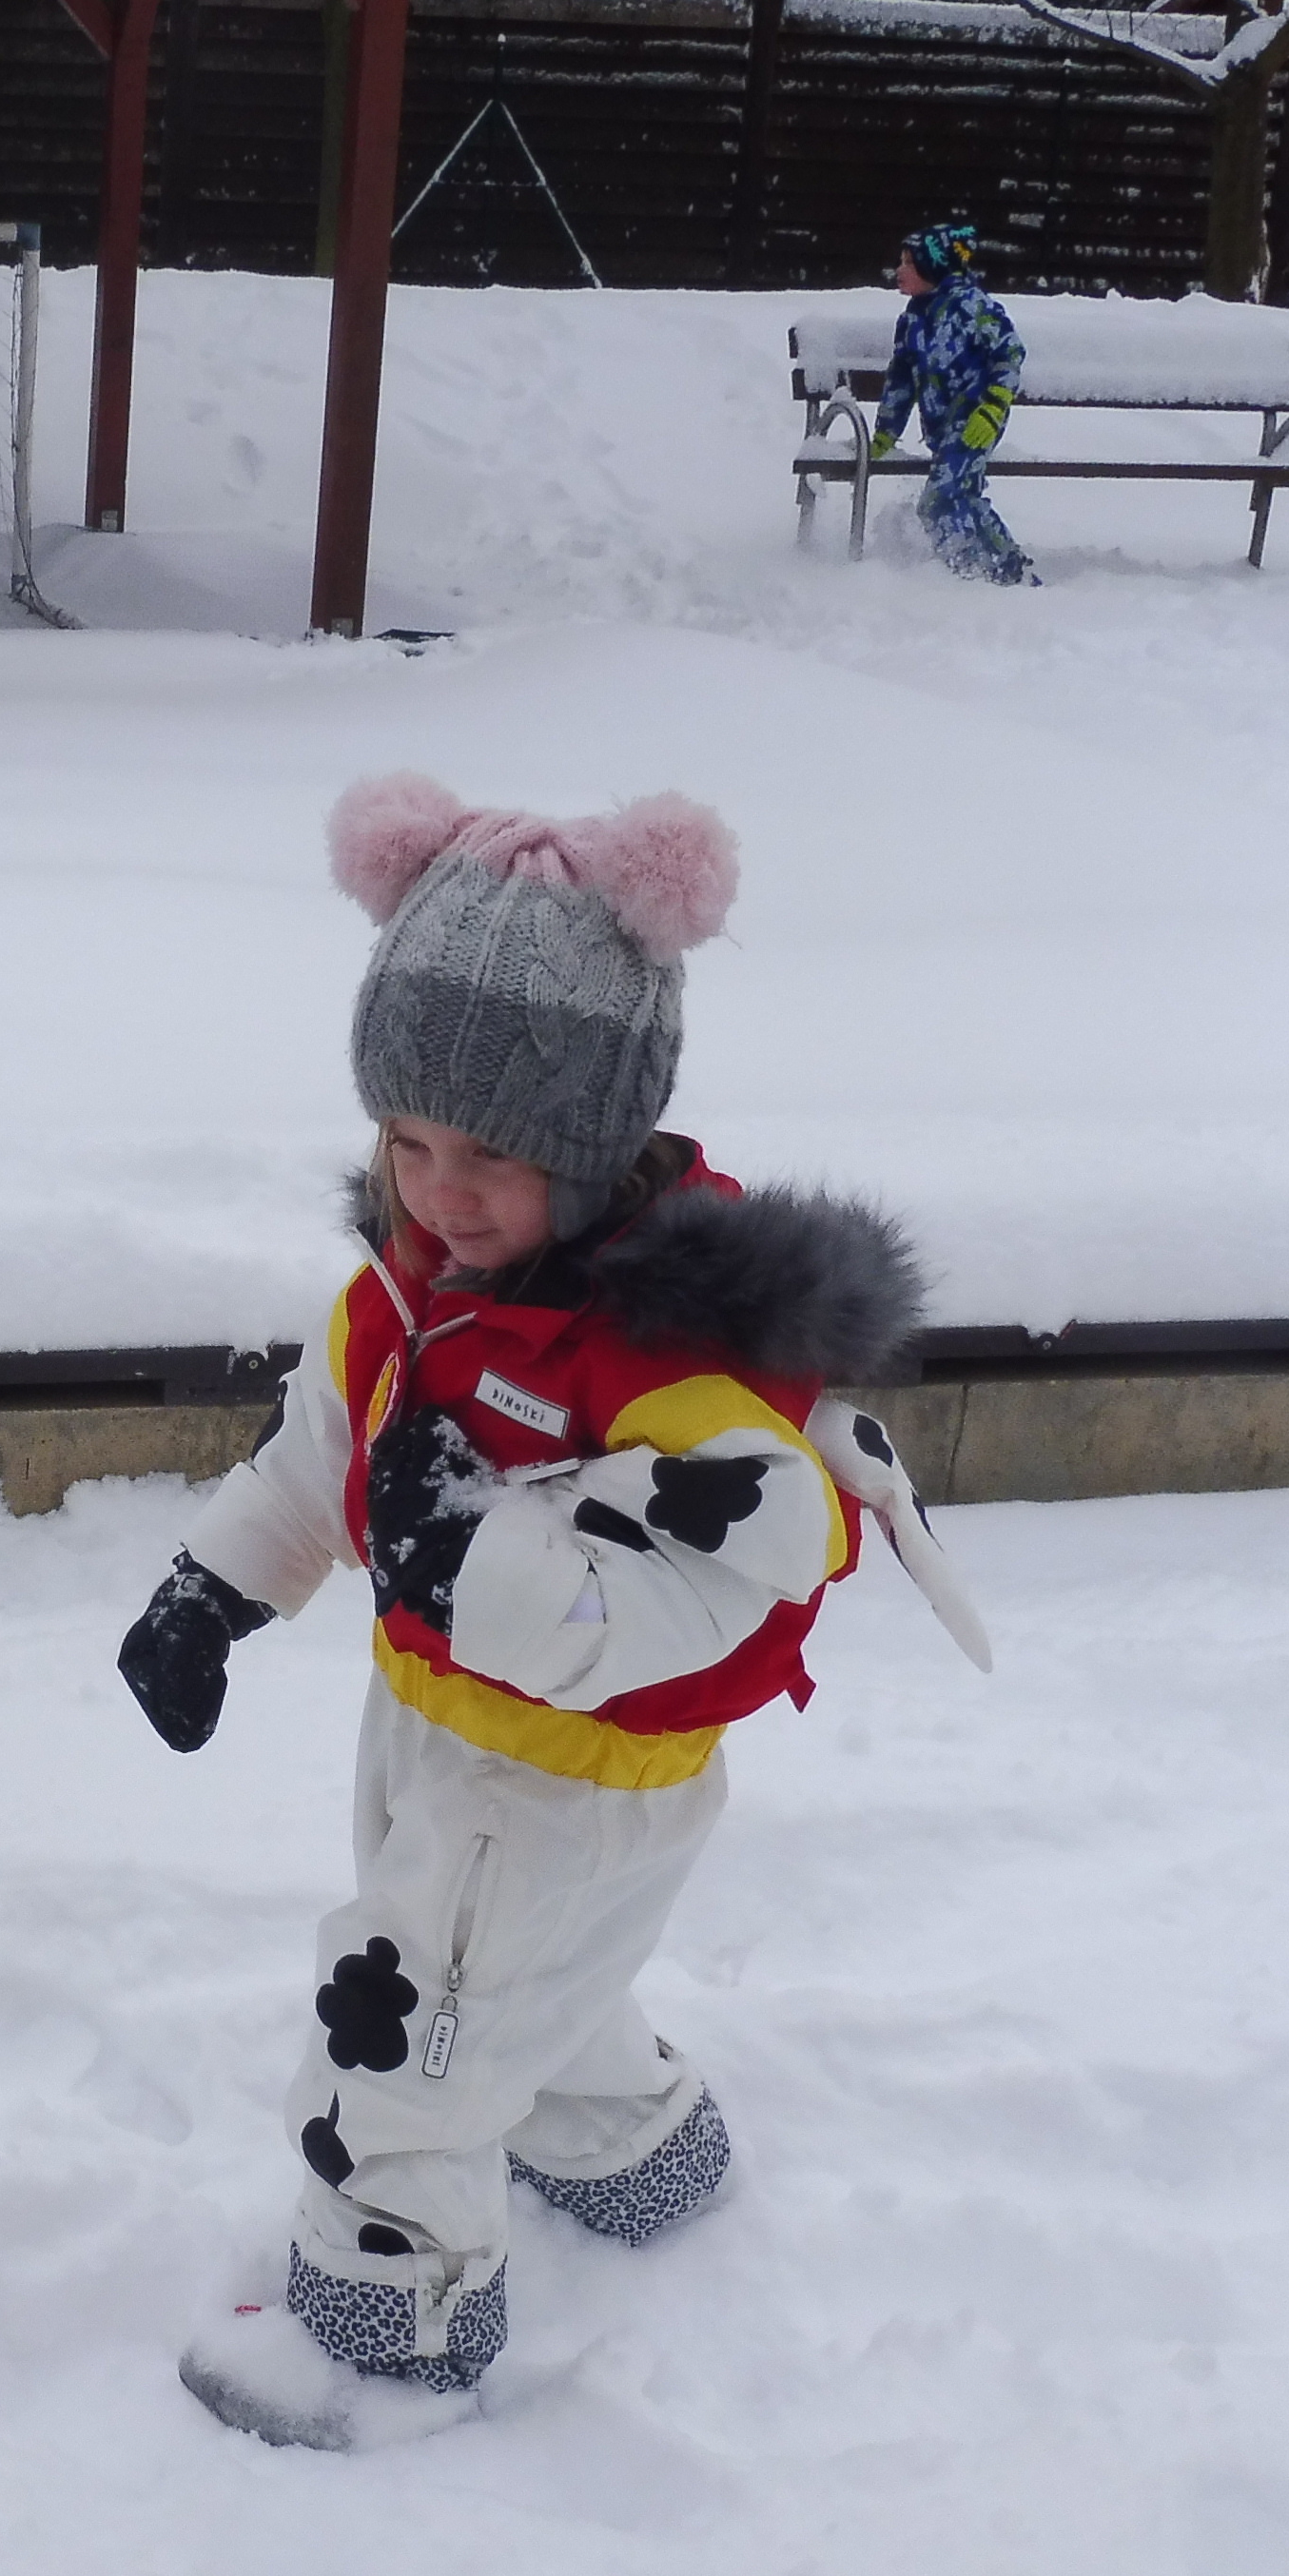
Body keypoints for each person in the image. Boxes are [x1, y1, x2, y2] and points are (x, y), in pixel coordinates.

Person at [118, 771, 957, 2452]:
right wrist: (214, 1586)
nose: (439, 1193)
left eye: (489, 1155)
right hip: (439, 1738)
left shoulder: (676, 1374)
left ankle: (391, 2327)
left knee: (401, 2038)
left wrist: (460, 1562)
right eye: (407, 1142)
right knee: (512, 1992)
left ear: (594, 1146)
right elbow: (322, 1450)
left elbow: (705, 1583)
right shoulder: (414, 1291)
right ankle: (635, 2153)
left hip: (569, 1781)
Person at [872, 218, 1036, 585]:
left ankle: (966, 574)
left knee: (938, 500)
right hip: (941, 428)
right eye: (901, 261)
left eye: (909, 263)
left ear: (934, 266)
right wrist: (886, 430)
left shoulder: (971, 308)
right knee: (964, 496)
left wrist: (993, 406)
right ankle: (1009, 569)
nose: (899, 270)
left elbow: (1009, 353)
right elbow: (901, 379)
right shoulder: (912, 320)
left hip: (975, 418)